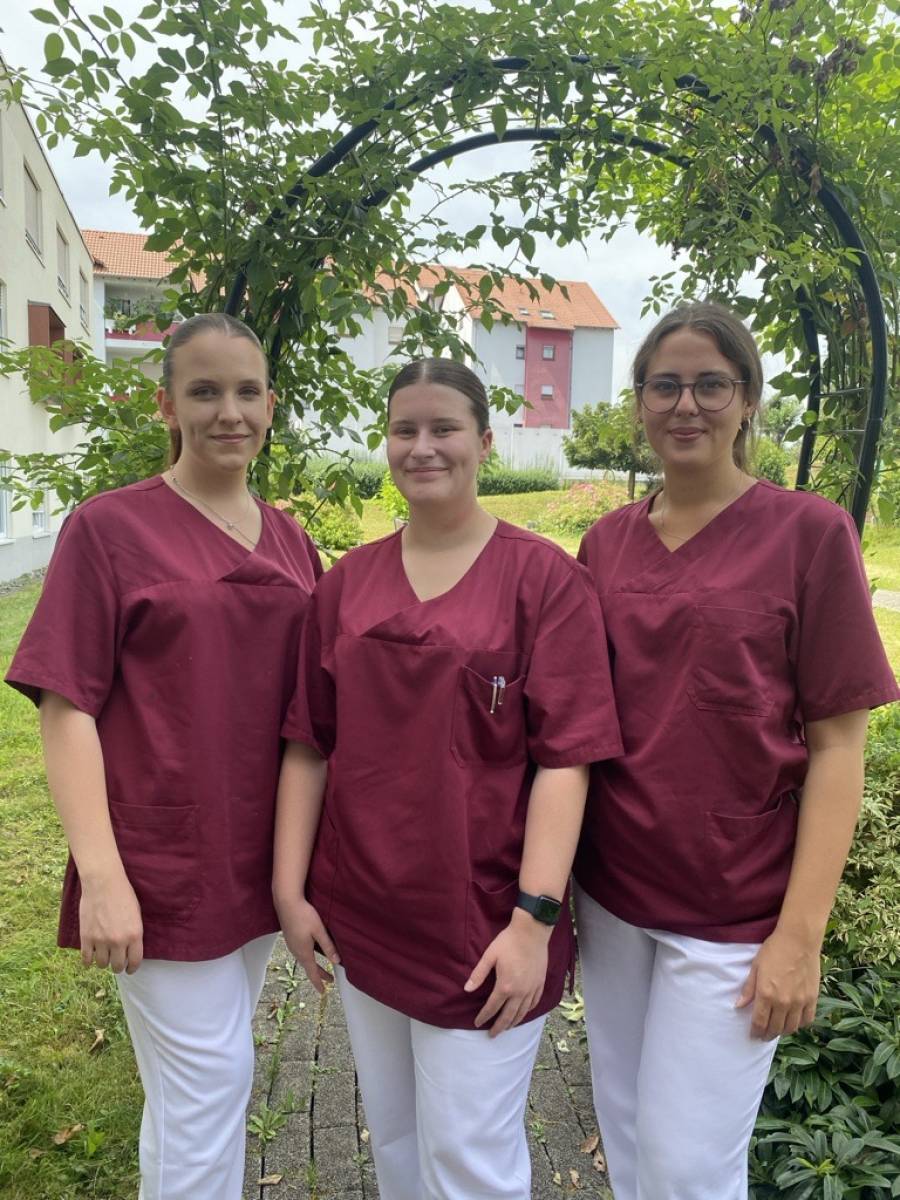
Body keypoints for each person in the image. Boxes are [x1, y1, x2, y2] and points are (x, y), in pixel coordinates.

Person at [273, 357, 622, 1200]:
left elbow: (566, 761)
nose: (422, 447)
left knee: (468, 1162)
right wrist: (290, 891)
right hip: (363, 917)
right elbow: (309, 745)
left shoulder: (544, 582)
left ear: (485, 441)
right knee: (396, 1143)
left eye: (444, 429)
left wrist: (535, 922)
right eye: (405, 430)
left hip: (483, 928)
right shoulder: (346, 584)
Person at [572, 301, 899, 1200]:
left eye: (711, 384)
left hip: (734, 905)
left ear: (748, 400)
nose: (687, 405)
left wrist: (800, 936)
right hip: (613, 891)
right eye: (665, 385)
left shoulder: (809, 534)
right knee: (631, 1137)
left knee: (689, 1166)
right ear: (638, 401)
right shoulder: (604, 544)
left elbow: (839, 748)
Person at [5, 313, 323, 1200]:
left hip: (258, 858)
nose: (231, 411)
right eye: (205, 391)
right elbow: (67, 706)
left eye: (248, 391)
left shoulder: (292, 540)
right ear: (168, 406)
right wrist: (100, 875)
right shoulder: (109, 530)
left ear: (270, 405)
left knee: (194, 1092)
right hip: (161, 861)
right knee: (209, 1087)